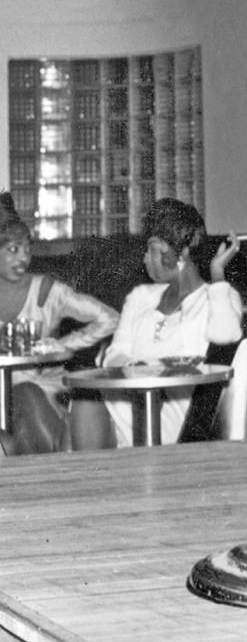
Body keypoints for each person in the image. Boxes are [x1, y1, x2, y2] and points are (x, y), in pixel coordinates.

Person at [73, 198, 244, 448]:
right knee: (46, 398)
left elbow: (226, 334)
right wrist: (139, 370)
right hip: (125, 404)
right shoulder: (141, 296)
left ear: (181, 254)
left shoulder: (219, 297)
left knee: (77, 413)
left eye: (153, 249)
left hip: (175, 416)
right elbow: (114, 354)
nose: (144, 258)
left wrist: (217, 273)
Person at [0, 192, 118, 455]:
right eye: (13, 250)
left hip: (40, 390)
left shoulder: (47, 291)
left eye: (27, 250)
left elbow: (109, 318)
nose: (23, 259)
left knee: (25, 395)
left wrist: (61, 344)